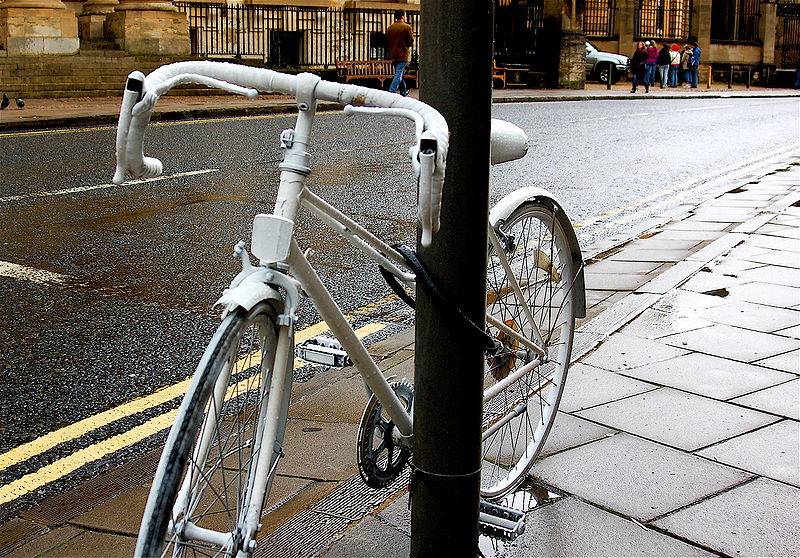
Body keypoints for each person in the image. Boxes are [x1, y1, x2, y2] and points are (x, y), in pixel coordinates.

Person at [386, 10, 413, 96]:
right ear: (402, 17)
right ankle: (392, 91)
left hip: (393, 54)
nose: (406, 17)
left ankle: (404, 90)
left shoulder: (390, 28)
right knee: (399, 73)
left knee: (399, 72)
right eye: (405, 16)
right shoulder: (407, 27)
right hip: (403, 54)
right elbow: (411, 41)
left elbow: (387, 41)